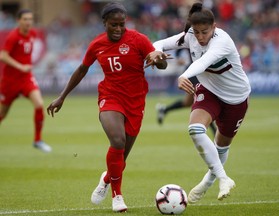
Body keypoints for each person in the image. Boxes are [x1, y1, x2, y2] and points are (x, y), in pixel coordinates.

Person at [46, 2, 167, 213]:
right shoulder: (97, 44)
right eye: (114, 25)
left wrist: (160, 59)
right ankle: (117, 196)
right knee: (117, 140)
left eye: (122, 24)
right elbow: (82, 70)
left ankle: (106, 178)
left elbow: (160, 63)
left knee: (121, 158)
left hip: (136, 101)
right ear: (105, 23)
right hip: (110, 97)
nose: (118, 29)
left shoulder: (139, 39)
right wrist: (62, 97)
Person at [145, 2, 251, 203]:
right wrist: (156, 51)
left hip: (236, 98)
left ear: (214, 27)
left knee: (221, 147)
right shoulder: (190, 36)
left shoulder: (223, 41)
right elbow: (160, 43)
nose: (200, 37)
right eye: (197, 32)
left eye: (205, 32)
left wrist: (183, 75)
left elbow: (203, 62)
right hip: (209, 91)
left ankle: (208, 182)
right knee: (195, 129)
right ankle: (222, 178)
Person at [0, 9, 51, 153]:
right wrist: (20, 66)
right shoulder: (13, 36)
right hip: (10, 81)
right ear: (18, 21)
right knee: (3, 113)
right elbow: (3, 56)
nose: (28, 22)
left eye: (30, 19)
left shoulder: (32, 34)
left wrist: (25, 68)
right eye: (25, 19)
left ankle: (37, 140)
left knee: (39, 104)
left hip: (26, 78)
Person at [156, 49, 217, 135]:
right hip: (193, 71)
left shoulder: (207, 38)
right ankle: (214, 131)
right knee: (202, 101)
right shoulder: (190, 37)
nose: (200, 35)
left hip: (201, 71)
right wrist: (178, 58)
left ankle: (165, 109)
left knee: (187, 102)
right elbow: (178, 48)